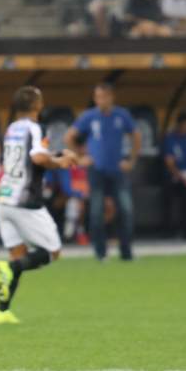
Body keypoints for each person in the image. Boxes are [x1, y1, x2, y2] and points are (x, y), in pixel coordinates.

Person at [0, 86, 78, 324]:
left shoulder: (12, 128)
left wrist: (58, 155)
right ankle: (8, 269)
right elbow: (38, 157)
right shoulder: (37, 128)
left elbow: (29, 155)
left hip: (4, 198)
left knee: (19, 255)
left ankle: (2, 311)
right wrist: (59, 163)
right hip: (25, 200)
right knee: (52, 251)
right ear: (38, 105)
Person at [64, 82, 141, 262]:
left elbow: (137, 136)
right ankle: (101, 253)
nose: (101, 100)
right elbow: (69, 137)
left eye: (104, 96)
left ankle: (126, 253)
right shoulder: (89, 116)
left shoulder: (121, 115)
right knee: (96, 211)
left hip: (117, 170)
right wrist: (81, 156)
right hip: (96, 171)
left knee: (126, 210)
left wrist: (131, 160)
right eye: (97, 97)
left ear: (111, 97)